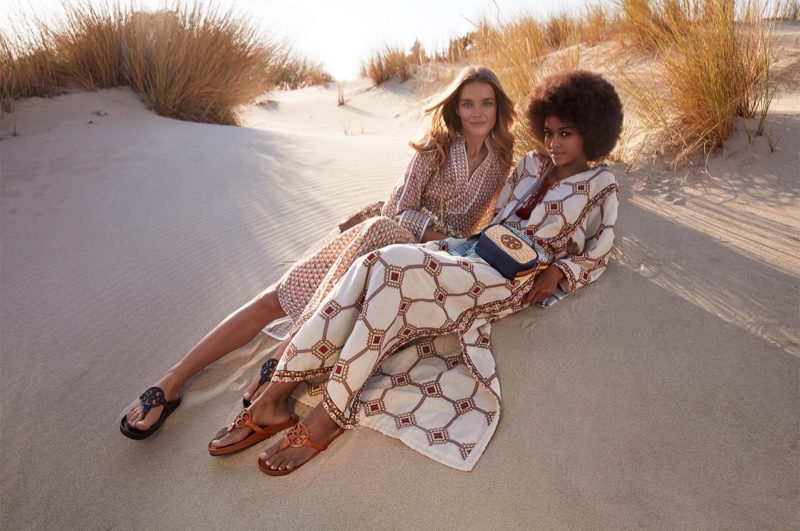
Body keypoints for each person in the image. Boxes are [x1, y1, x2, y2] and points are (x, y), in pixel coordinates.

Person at [207, 69, 625, 474]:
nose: (553, 143)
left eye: (565, 133)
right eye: (549, 132)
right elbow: (495, 217)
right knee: (376, 261)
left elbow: (600, 250)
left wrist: (560, 269)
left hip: (513, 279)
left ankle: (329, 415)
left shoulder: (600, 183)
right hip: (475, 251)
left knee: (396, 266)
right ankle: (274, 398)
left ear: (592, 131)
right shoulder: (531, 165)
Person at [121, 65, 517, 439]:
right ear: (456, 107)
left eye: (486, 103)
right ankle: (172, 380)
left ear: (498, 108)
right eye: (468, 103)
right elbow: (397, 210)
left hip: (412, 263)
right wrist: (432, 231)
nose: (477, 112)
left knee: (333, 300)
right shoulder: (435, 148)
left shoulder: (501, 161)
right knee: (276, 298)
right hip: (377, 234)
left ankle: (283, 358)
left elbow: (477, 227)